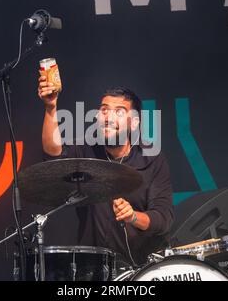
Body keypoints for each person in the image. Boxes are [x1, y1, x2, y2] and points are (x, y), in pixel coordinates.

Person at [37, 75, 174, 266]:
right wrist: (51, 108)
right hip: (94, 268)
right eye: (104, 110)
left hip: (144, 269)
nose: (109, 117)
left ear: (134, 123)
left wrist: (133, 216)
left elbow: (163, 219)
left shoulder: (151, 158)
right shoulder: (86, 150)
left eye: (119, 112)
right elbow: (53, 156)